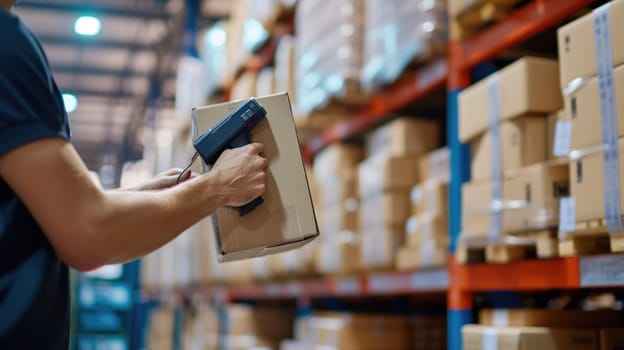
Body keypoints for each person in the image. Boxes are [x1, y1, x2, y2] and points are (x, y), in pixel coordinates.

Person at [0, 1, 269, 348]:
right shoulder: (6, 45)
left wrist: (147, 193)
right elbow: (89, 233)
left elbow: (43, 211)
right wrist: (216, 188)